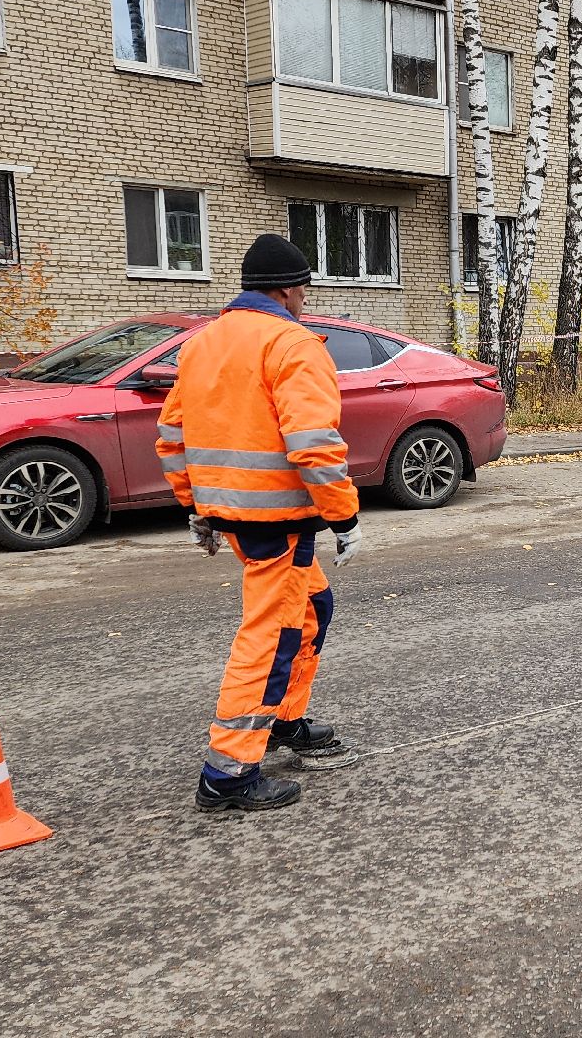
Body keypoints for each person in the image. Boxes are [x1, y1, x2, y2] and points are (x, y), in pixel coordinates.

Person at [155, 234, 365, 812]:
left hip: (240, 519)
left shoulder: (203, 344)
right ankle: (228, 774)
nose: (305, 299)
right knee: (271, 638)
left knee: (312, 609)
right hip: (278, 521)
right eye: (305, 289)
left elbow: (171, 437)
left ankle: (282, 721)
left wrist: (193, 506)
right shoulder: (292, 344)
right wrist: (343, 514)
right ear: (291, 288)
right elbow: (314, 443)